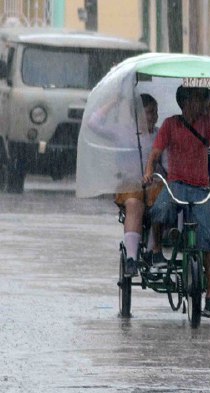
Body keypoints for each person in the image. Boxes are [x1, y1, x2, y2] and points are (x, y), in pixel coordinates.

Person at [143, 86, 210, 318]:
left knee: (209, 240)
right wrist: (148, 172)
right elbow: (155, 154)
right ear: (185, 103)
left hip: (200, 189)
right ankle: (156, 249)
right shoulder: (170, 125)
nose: (201, 106)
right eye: (196, 100)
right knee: (160, 210)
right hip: (176, 185)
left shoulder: (206, 124)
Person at [86, 93, 161, 277]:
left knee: (164, 204)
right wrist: (114, 100)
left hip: (155, 185)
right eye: (148, 113)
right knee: (135, 205)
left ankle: (154, 251)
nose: (152, 117)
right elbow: (93, 123)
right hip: (130, 185)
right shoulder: (123, 131)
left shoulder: (160, 135)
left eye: (154, 113)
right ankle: (132, 259)